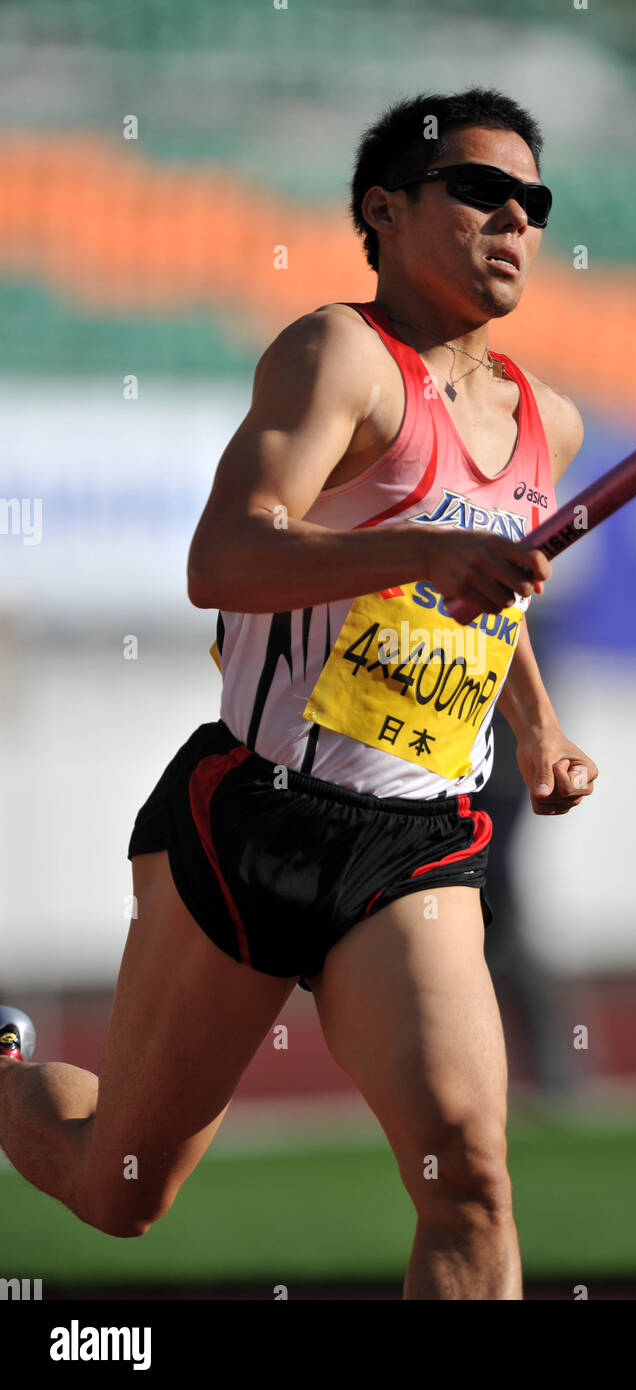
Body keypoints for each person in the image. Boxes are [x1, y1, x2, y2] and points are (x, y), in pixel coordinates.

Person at [0, 87, 598, 1301]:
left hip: (419, 847)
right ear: (385, 210)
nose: (514, 221)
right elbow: (222, 560)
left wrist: (534, 725)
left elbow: (493, 597)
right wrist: (420, 548)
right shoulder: (335, 357)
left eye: (532, 202)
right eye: (481, 190)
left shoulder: (552, 422)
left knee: (469, 1180)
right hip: (254, 819)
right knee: (119, 1193)